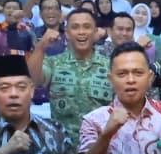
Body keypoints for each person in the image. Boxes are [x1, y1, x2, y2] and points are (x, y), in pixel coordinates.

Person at [28, 8, 113, 141]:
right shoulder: (53, 63)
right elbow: (33, 80)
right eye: (75, 27)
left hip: (100, 146)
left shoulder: (110, 66)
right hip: (63, 148)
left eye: (87, 27)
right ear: (67, 33)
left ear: (95, 32)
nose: (81, 32)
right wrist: (41, 46)